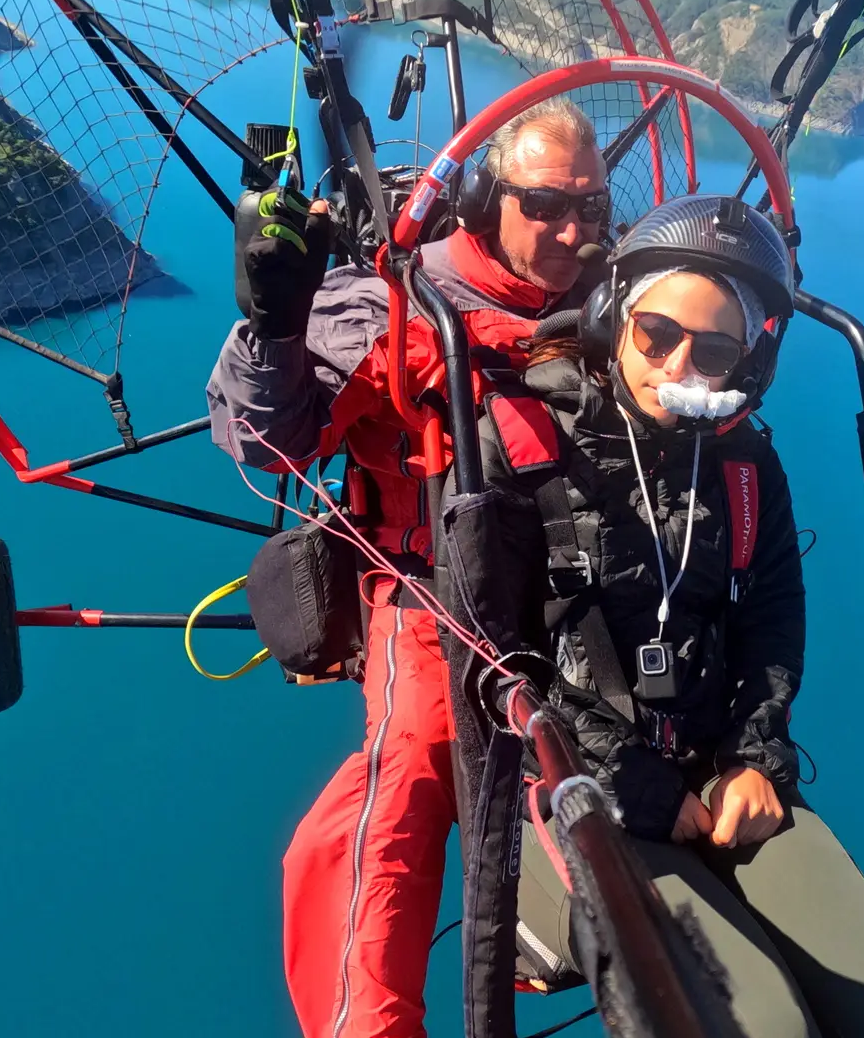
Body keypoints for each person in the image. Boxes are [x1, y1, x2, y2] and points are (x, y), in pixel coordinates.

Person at [459, 195, 864, 1038]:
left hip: (718, 770)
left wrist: (756, 756)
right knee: (763, 1023)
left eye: (715, 351)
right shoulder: (518, 447)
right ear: (614, 319)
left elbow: (772, 617)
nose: (680, 367)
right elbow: (491, 656)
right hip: (578, 788)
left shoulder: (741, 464)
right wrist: (634, 777)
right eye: (658, 335)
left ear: (746, 367)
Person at [207, 98, 610, 1038]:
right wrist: (273, 328)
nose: (572, 231)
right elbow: (269, 441)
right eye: (546, 204)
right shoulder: (391, 302)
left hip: (583, 597)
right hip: (438, 601)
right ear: (480, 200)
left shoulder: (619, 308)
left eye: (590, 209)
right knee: (408, 785)